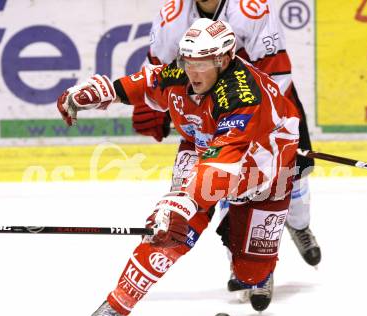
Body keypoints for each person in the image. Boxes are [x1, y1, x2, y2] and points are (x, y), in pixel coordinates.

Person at [57, 18, 300, 316]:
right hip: (208, 153)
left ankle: (243, 243)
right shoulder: (181, 72)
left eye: (202, 64)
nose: (192, 72)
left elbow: (221, 167)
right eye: (188, 62)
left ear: (224, 60)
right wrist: (102, 92)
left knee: (250, 273)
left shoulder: (242, 97)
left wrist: (185, 199)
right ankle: (116, 305)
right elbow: (146, 83)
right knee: (170, 231)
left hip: (264, 171)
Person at [131, 0, 321, 300]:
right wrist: (151, 105)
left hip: (271, 107)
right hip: (213, 114)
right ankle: (250, 267)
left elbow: (276, 73)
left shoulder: (250, 10)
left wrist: (265, 136)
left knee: (287, 177)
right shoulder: (172, 15)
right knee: (224, 184)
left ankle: (299, 225)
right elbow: (156, 71)